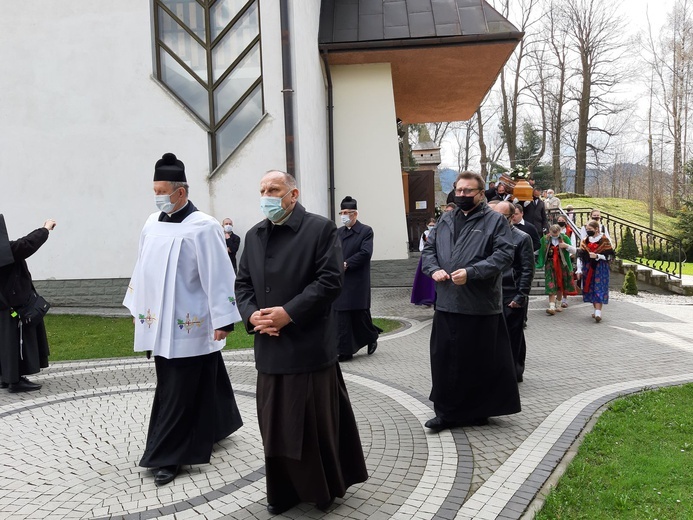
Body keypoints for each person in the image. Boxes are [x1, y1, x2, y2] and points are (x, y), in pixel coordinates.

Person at [235, 170, 368, 514]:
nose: (266, 195)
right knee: (274, 426)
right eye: (262, 189)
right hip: (269, 347)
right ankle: (283, 491)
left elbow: (329, 281)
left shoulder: (320, 229)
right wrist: (252, 316)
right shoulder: (253, 235)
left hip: (307, 347)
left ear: (292, 194)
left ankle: (320, 490)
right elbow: (243, 284)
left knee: (309, 426)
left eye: (274, 189)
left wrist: (288, 313)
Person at [123, 153, 243, 486]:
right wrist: (136, 307)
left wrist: (223, 318)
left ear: (181, 192)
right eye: (154, 190)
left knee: (178, 387)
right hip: (156, 322)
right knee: (190, 378)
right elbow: (142, 267)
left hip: (189, 323)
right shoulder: (152, 223)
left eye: (162, 190)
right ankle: (220, 423)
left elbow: (219, 275)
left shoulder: (204, 227)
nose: (157, 196)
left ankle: (170, 455)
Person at [421, 171, 520, 431]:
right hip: (447, 302)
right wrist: (433, 269)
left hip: (479, 306)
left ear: (480, 193)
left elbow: (504, 254)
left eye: (468, 191)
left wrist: (472, 273)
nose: (462, 195)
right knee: (446, 360)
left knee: (478, 362)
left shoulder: (495, 221)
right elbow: (429, 250)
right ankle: (447, 413)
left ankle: (479, 411)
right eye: (459, 190)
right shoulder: (445, 219)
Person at [0, 215, 56, 393]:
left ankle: (5, 377)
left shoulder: (6, 251)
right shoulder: (8, 251)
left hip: (3, 306)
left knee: (4, 342)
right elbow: (28, 244)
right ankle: (15, 382)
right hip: (14, 306)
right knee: (17, 342)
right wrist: (45, 229)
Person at [490, 201, 533, 383]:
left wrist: (520, 295)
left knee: (514, 334)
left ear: (511, 217)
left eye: (501, 216)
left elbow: (527, 269)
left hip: (511, 292)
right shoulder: (489, 236)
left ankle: (515, 371)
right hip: (491, 293)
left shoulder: (522, 238)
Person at [334, 196, 380, 361]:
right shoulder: (338, 232)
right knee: (341, 314)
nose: (344, 215)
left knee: (359, 314)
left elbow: (365, 253)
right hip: (340, 280)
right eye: (342, 212)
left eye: (347, 212)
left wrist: (347, 264)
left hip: (357, 279)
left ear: (355, 214)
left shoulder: (365, 231)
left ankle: (370, 336)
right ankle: (344, 350)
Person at [536, 224, 578, 316]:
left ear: (559, 232)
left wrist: (566, 246)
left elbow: (574, 251)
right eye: (552, 234)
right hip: (550, 265)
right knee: (550, 283)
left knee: (560, 283)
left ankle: (558, 304)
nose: (554, 236)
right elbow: (540, 250)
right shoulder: (545, 239)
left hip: (562, 264)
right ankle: (551, 306)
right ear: (550, 232)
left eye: (556, 234)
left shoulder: (565, 238)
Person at [578, 220, 615, 323]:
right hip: (588, 267)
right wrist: (579, 269)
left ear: (597, 229)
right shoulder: (585, 240)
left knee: (599, 287)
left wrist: (598, 256)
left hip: (600, 267)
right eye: (587, 229)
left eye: (590, 229)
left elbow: (610, 256)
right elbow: (581, 255)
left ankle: (598, 312)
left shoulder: (604, 240)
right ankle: (596, 310)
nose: (588, 231)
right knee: (591, 288)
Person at [411, 217, 437, 307]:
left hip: (435, 257)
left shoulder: (438, 233)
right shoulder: (424, 234)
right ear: (427, 226)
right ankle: (425, 299)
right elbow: (421, 246)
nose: (432, 227)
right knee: (425, 278)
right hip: (425, 256)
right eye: (430, 225)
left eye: (433, 225)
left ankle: (434, 298)